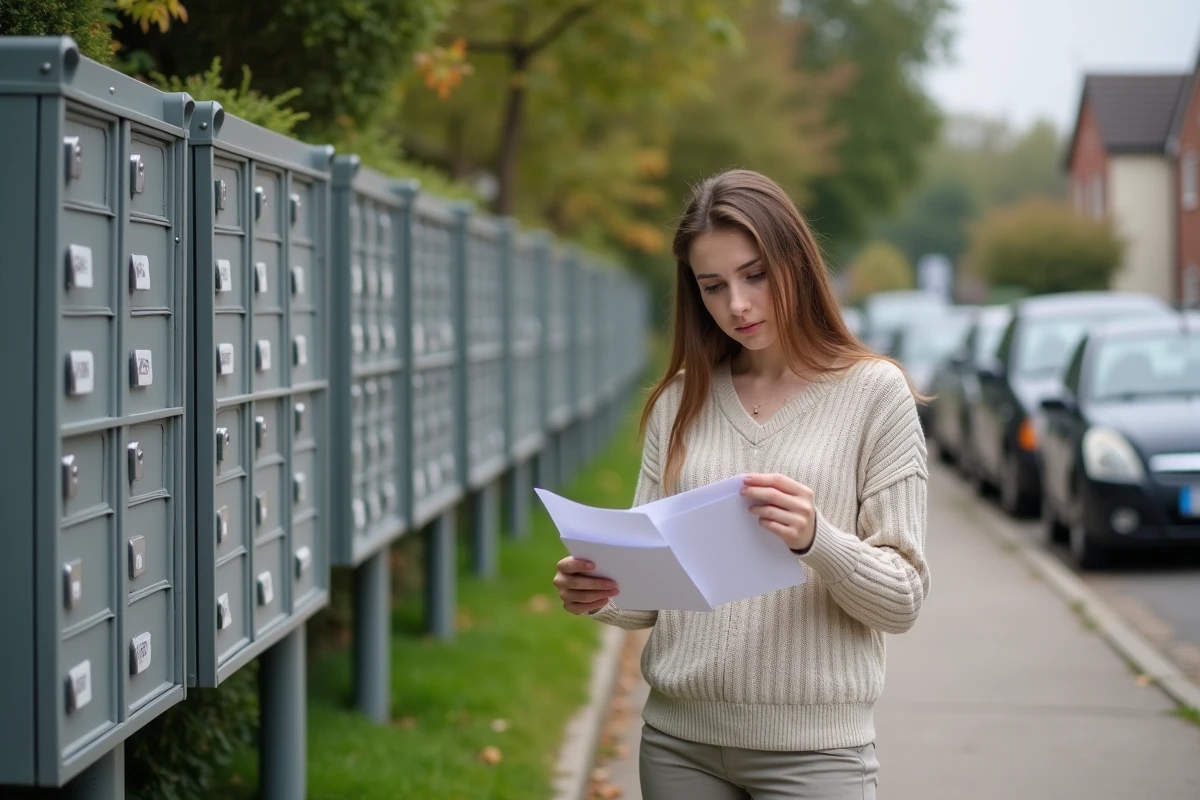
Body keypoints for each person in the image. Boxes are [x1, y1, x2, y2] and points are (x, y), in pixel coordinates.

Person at [552, 169, 930, 799]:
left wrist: (817, 540)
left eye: (755, 275)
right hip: (679, 748)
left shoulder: (875, 395)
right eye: (713, 287)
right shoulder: (680, 401)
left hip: (817, 754)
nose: (738, 305)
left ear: (797, 264)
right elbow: (646, 599)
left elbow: (903, 601)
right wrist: (598, 588)